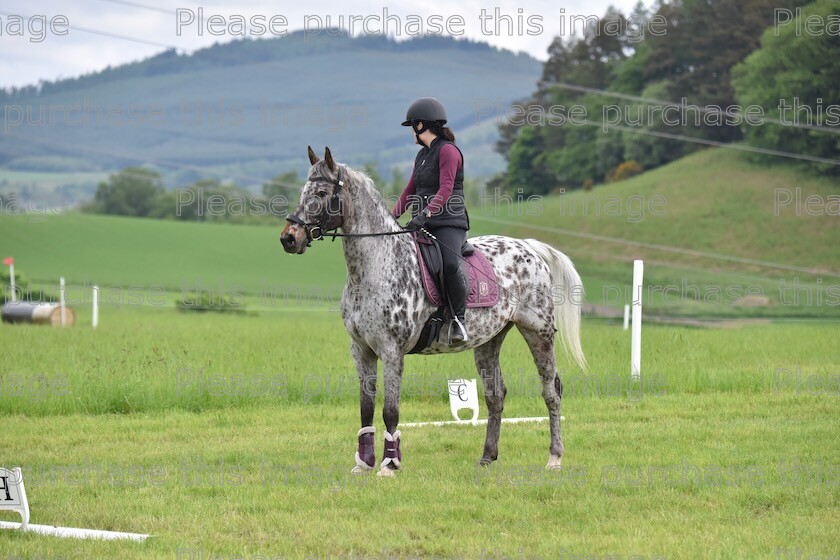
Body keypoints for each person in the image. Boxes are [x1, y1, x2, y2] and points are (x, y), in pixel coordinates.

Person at [392, 97, 470, 345]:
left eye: (412, 126)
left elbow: (446, 188)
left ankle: (459, 320)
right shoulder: (421, 156)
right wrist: (391, 217)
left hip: (449, 221)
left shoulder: (448, 150)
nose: (411, 133)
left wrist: (425, 213)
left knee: (449, 264)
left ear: (421, 125)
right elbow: (410, 190)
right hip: (423, 223)